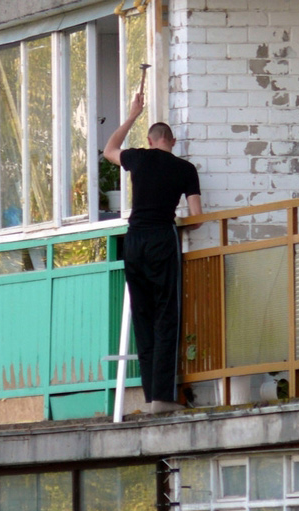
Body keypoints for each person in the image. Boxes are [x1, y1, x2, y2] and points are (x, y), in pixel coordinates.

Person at [103, 93, 203, 414]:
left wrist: (133, 113)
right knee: (166, 316)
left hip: (134, 240)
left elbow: (109, 150)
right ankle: (163, 398)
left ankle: (149, 399)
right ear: (172, 141)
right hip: (162, 238)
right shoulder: (185, 169)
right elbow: (197, 217)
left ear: (149, 140)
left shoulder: (138, 158)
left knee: (143, 317)